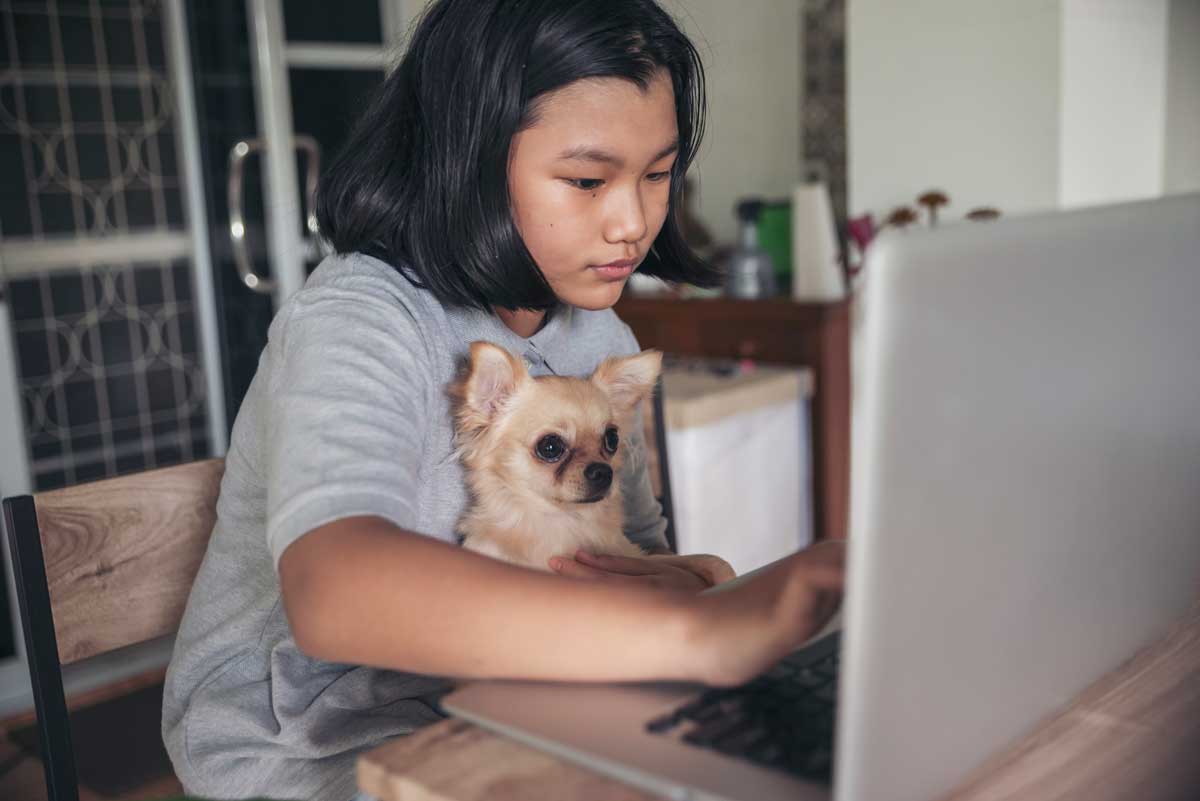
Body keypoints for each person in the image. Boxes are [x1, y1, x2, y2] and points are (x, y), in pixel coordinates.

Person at [162, 1, 845, 799]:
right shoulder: (360, 318)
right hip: (309, 746)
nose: (633, 221)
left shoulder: (602, 342)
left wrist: (700, 578)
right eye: (588, 180)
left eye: (658, 174)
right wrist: (695, 630)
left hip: (504, 701)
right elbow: (333, 587)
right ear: (470, 159)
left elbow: (630, 555)